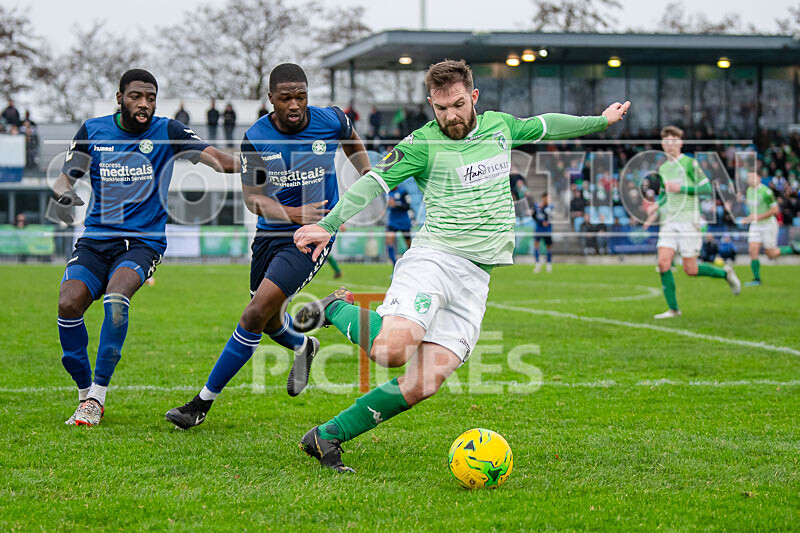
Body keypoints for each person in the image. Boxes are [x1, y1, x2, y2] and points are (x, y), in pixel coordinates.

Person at [292, 59, 629, 473]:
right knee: (394, 351)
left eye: (456, 105)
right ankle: (336, 309)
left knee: (424, 383)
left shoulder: (501, 126)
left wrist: (599, 121)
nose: (450, 115)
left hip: (475, 278)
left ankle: (326, 436)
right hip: (434, 260)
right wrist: (329, 223)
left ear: (473, 97)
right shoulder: (421, 144)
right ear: (430, 104)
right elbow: (373, 182)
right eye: (440, 108)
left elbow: (546, 124)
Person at [164, 63, 371, 430]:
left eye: (301, 96)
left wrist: (367, 176)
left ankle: (200, 404)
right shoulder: (256, 137)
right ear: (271, 99)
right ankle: (303, 346)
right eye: (286, 98)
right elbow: (253, 198)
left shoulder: (332, 120)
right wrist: (292, 213)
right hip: (270, 233)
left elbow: (351, 138)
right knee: (269, 318)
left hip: (314, 233)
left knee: (253, 314)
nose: (295, 105)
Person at [53, 69, 238, 426]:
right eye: (136, 96)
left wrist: (257, 162)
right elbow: (66, 178)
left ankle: (97, 397)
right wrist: (62, 195)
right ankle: (83, 393)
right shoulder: (93, 131)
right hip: (95, 240)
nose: (144, 104)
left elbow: (218, 159)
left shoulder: (169, 131)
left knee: (116, 299)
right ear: (119, 97)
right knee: (67, 303)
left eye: (151, 98)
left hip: (142, 243)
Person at [643, 125, 741, 319]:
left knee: (691, 270)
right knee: (663, 264)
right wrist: (657, 206)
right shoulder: (663, 167)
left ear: (680, 142)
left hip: (688, 221)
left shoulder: (690, 164)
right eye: (666, 141)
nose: (669, 144)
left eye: (673, 140)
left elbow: (706, 190)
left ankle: (726, 274)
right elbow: (665, 193)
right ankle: (673, 309)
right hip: (669, 222)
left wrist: (682, 188)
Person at [743, 170, 799, 285]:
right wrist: (748, 218)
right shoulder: (748, 191)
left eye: (752, 177)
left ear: (758, 178)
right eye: (748, 178)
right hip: (756, 225)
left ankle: (792, 249)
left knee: (770, 254)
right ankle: (757, 279)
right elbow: (753, 210)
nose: (750, 180)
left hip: (768, 224)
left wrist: (758, 216)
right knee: (752, 249)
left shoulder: (766, 192)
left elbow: (775, 210)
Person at [385, 184, 412, 265]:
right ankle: (394, 264)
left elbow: (408, 206)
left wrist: (396, 204)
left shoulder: (403, 192)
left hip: (404, 221)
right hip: (392, 221)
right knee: (389, 241)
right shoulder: (387, 193)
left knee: (408, 244)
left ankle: (410, 263)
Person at [531, 192, 553, 273]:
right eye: (547, 198)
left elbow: (551, 216)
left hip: (547, 230)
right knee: (536, 245)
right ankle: (537, 264)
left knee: (549, 247)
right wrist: (540, 221)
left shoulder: (550, 207)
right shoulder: (537, 206)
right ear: (543, 198)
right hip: (539, 229)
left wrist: (546, 221)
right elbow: (534, 216)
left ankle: (549, 264)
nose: (548, 199)